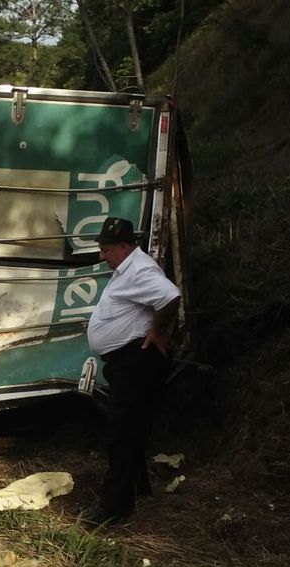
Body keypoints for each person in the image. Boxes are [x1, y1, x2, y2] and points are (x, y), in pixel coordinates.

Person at [83, 216, 181, 527]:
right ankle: (138, 487)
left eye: (106, 249)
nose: (102, 255)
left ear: (124, 246)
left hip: (136, 360)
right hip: (128, 361)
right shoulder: (127, 268)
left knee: (121, 433)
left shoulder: (138, 269)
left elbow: (170, 296)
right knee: (131, 427)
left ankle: (115, 508)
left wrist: (158, 329)